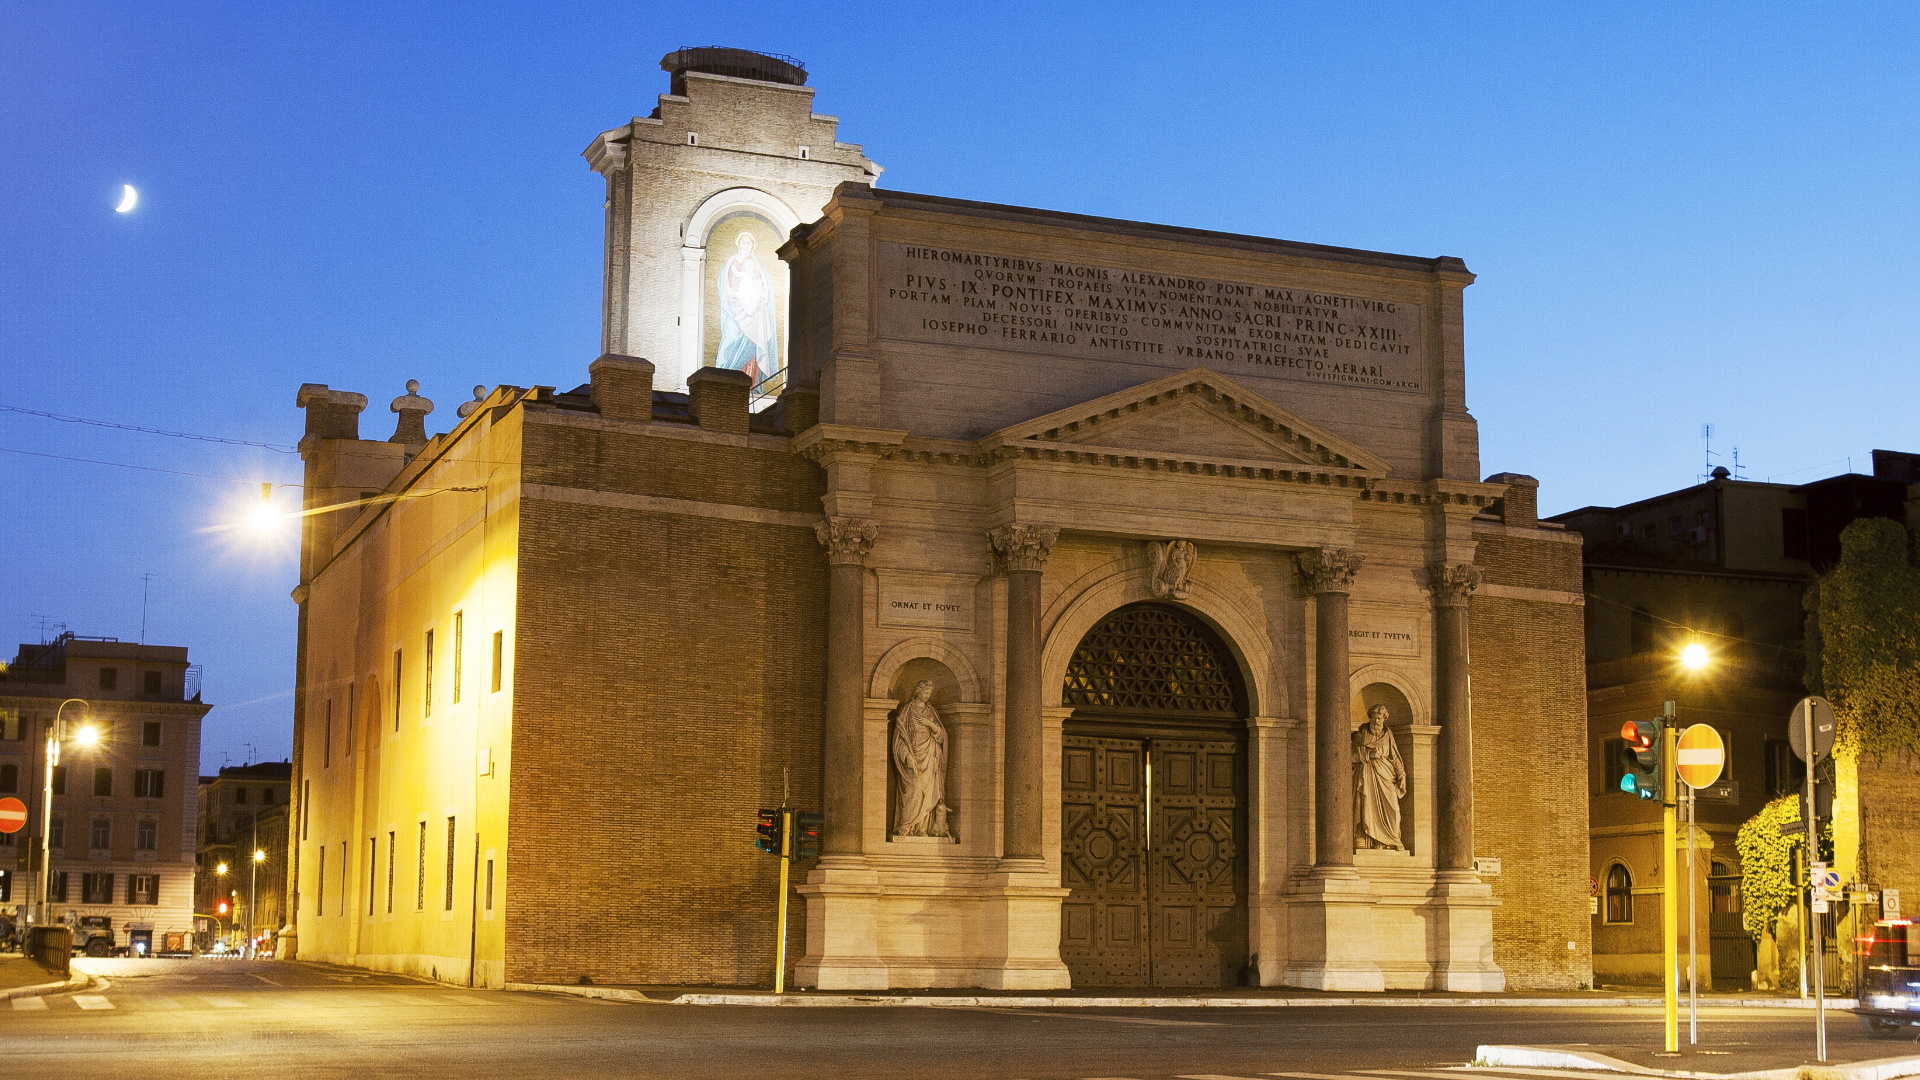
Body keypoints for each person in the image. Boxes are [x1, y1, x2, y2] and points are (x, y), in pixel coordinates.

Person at [716, 230, 780, 387]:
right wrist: (739, 298)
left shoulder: (758, 265)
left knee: (753, 343)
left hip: (754, 313)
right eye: (743, 242)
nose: (746, 245)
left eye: (749, 243)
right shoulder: (731, 263)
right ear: (738, 244)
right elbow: (725, 287)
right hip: (734, 310)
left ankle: (751, 383)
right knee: (730, 339)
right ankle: (723, 380)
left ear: (753, 245)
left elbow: (764, 289)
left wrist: (758, 298)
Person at [892, 680, 952, 838]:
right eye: (925, 692)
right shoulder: (907, 710)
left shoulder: (931, 711)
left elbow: (942, 735)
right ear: (917, 691)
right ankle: (906, 827)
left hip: (930, 754)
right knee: (914, 791)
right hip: (913, 754)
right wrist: (906, 755)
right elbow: (900, 737)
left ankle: (922, 829)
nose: (927, 696)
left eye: (929, 694)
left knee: (929, 792)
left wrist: (930, 725)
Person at [1353, 703, 1407, 849]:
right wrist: (1369, 755)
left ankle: (1393, 839)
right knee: (1367, 806)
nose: (1377, 722)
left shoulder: (1388, 734)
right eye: (1375, 718)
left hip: (1385, 773)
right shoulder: (1361, 734)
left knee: (1393, 809)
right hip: (1367, 773)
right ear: (1370, 718)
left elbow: (1394, 756)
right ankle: (1372, 840)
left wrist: (1401, 773)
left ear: (1384, 719)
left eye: (1380, 719)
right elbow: (1351, 756)